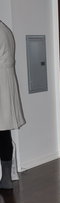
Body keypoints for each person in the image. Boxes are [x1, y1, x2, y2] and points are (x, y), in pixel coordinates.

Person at [0, 20, 26, 190]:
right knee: (3, 132)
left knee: (2, 133)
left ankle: (7, 178)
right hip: (5, 85)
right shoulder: (5, 29)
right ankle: (7, 178)